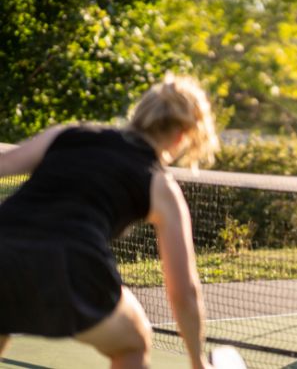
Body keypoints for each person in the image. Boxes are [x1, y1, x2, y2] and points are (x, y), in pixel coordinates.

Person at [0, 75, 220, 369]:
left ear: (141, 113)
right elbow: (184, 292)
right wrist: (197, 362)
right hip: (71, 264)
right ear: (183, 135)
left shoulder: (68, 134)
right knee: (133, 341)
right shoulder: (160, 186)